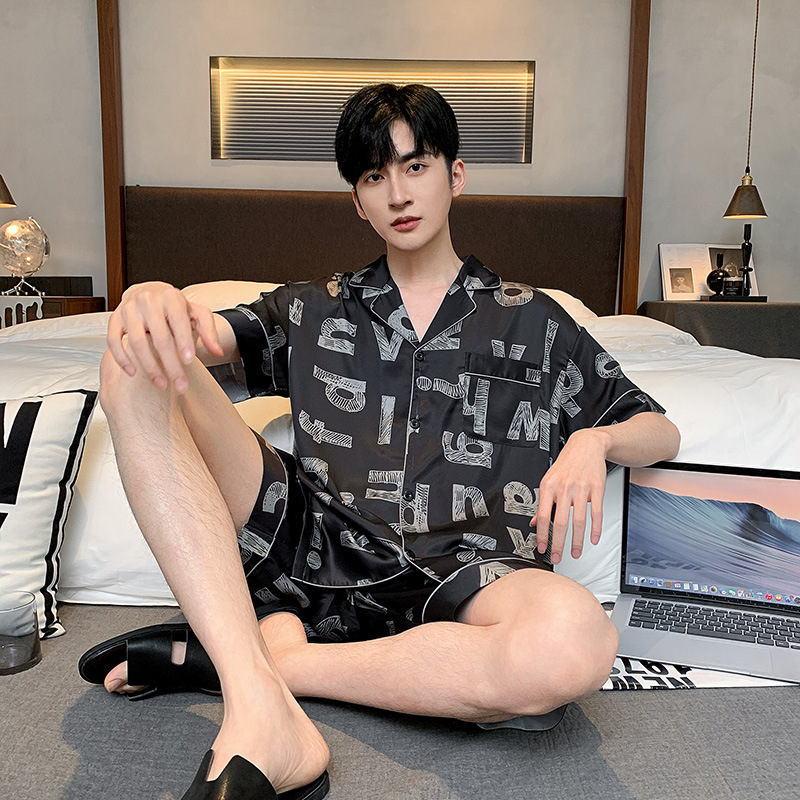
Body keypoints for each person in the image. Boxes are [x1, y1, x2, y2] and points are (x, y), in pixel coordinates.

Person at [79, 84, 680, 799]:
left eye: (416, 166)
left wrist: (592, 443)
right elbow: (198, 337)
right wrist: (149, 297)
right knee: (133, 359)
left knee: (574, 646)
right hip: (310, 547)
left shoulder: (536, 320)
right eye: (374, 176)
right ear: (357, 201)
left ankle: (252, 664)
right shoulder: (312, 307)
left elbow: (659, 429)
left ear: (455, 175)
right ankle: (261, 704)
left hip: (467, 574)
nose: (398, 193)